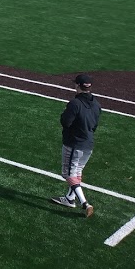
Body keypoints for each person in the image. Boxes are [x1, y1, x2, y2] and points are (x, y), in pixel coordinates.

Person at [50, 74, 101, 218]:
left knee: (68, 173)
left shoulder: (75, 103)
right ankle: (69, 198)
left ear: (78, 85)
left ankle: (85, 203)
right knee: (77, 171)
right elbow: (95, 124)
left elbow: (65, 122)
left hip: (74, 143)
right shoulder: (96, 104)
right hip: (88, 144)